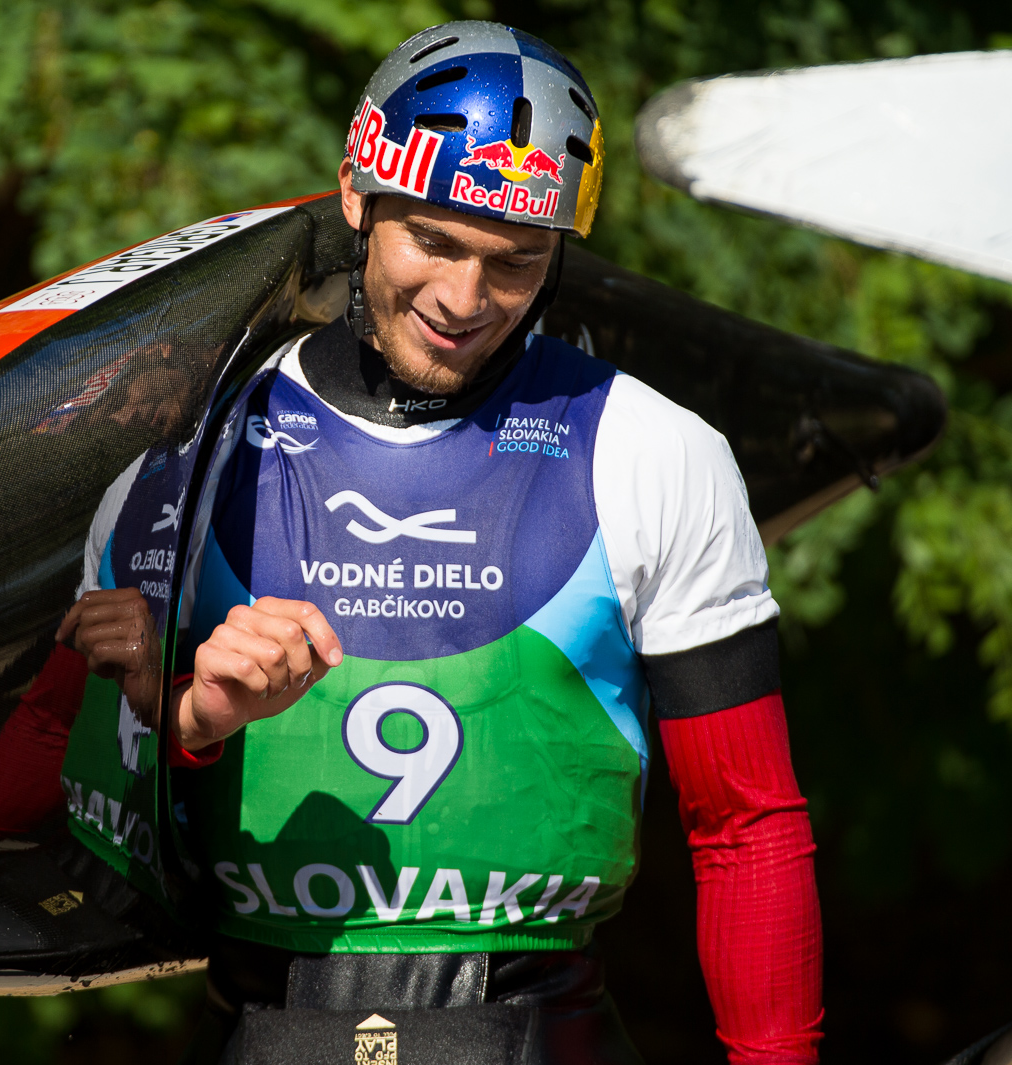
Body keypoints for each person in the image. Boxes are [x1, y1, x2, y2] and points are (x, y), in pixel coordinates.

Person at [57, 20, 823, 1065]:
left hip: (543, 1026)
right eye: (433, 241)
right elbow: (87, 833)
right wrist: (194, 720)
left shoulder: (656, 451)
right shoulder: (189, 442)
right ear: (355, 199)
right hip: (254, 1024)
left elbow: (747, 826)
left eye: (515, 263)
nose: (463, 301)